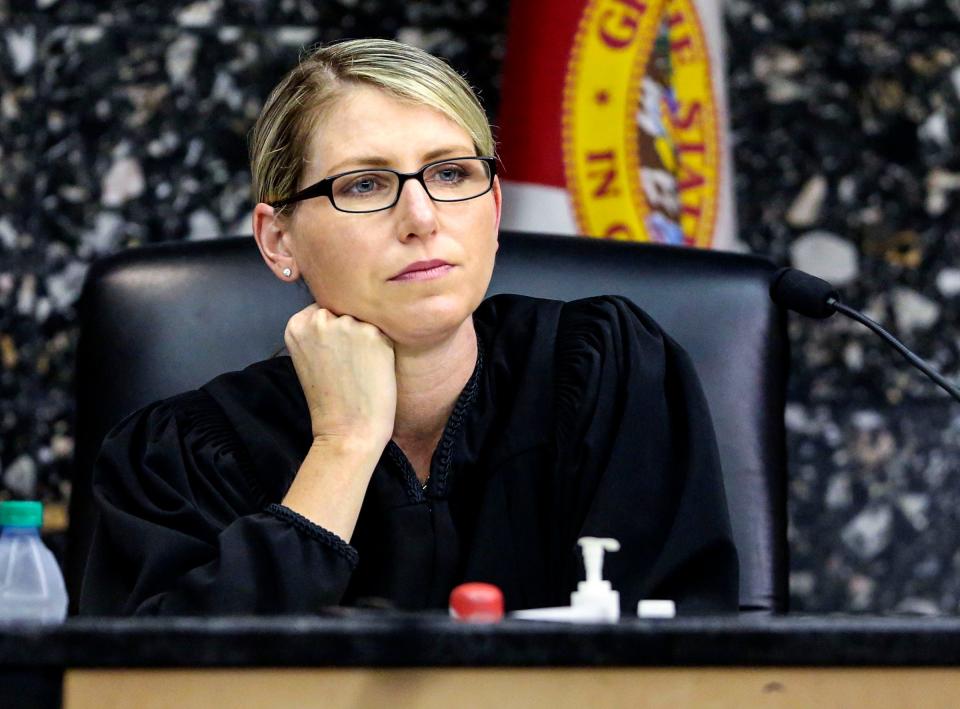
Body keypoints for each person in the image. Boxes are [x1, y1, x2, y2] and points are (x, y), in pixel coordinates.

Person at [79, 39, 738, 616]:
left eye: (451, 173)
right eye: (365, 184)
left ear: (495, 205)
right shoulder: (176, 461)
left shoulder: (608, 372)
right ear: (278, 239)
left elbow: (681, 665)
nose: (421, 216)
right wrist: (344, 447)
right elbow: (158, 687)